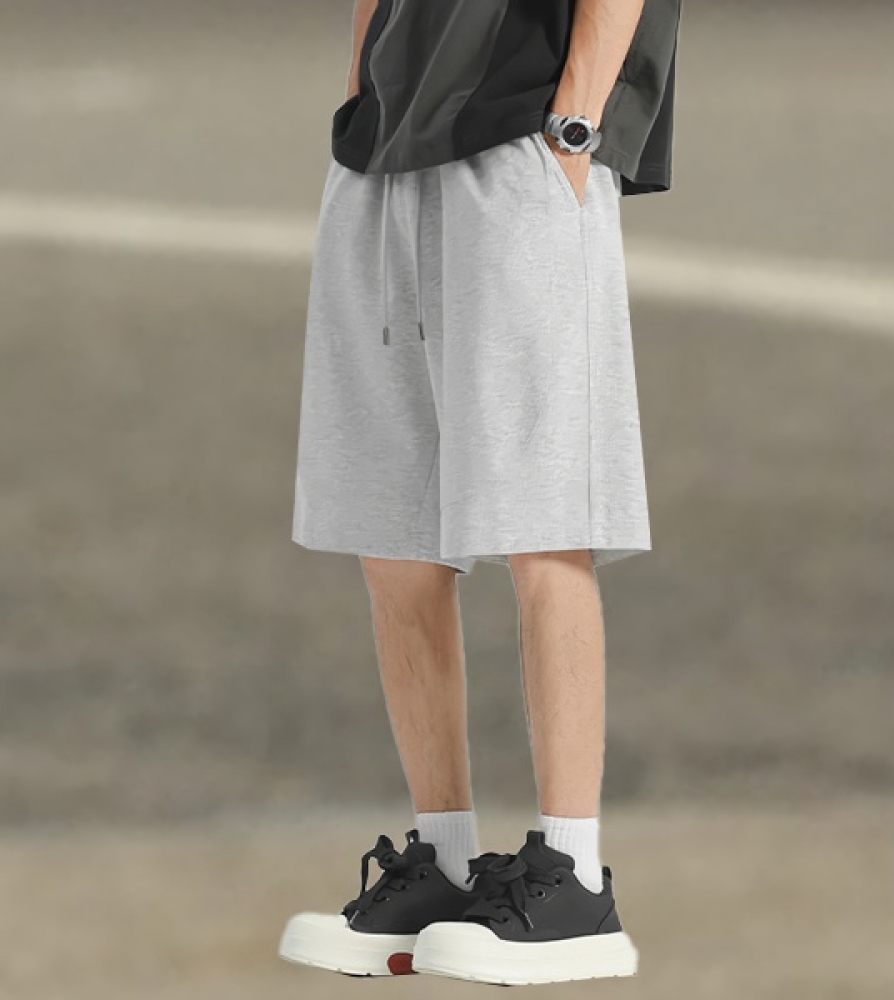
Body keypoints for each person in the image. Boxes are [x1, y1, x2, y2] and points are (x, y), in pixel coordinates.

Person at [280, 0, 681, 985]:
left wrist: (574, 130)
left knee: (546, 520)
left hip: (523, 136)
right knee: (393, 533)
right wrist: (360, 96)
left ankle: (573, 876)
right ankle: (443, 860)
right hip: (383, 148)